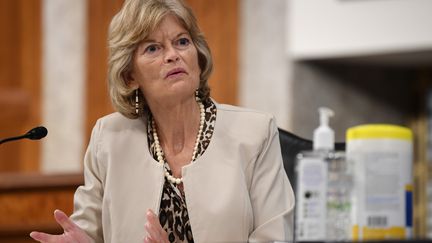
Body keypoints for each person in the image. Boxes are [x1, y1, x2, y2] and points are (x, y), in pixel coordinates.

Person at [30, 0, 294, 242]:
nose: (172, 55)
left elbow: (275, 238)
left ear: (197, 57)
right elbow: (86, 231)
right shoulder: (108, 139)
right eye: (153, 48)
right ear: (130, 76)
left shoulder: (255, 134)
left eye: (181, 42)